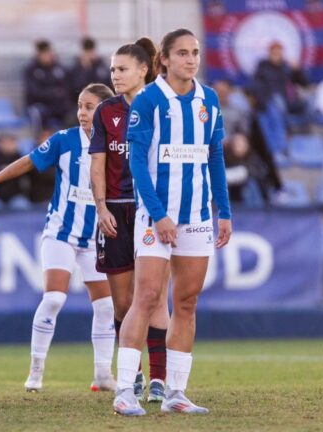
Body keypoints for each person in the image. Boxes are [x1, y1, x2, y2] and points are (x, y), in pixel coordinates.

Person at [113, 28, 232, 416]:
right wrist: (159, 213)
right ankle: (125, 392)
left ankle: (176, 394)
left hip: (197, 215)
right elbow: (136, 164)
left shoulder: (208, 100)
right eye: (182, 53)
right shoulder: (148, 100)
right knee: (146, 298)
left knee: (187, 301)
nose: (191, 59)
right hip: (155, 215)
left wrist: (225, 212)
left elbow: (215, 158)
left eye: (195, 52)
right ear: (163, 59)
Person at [0, 83, 117, 393]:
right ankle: (36, 370)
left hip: (96, 238)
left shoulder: (116, 145)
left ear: (105, 110)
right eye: (80, 106)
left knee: (106, 307)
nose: (82, 113)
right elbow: (29, 161)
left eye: (89, 107)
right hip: (60, 233)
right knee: (54, 298)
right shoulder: (65, 140)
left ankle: (102, 375)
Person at [88, 38, 169, 403]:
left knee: (154, 298)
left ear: (143, 70)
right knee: (123, 303)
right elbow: (99, 162)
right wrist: (101, 206)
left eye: (122, 69)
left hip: (151, 210)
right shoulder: (106, 111)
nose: (115, 76)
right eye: (112, 70)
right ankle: (133, 373)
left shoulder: (164, 106)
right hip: (117, 210)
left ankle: (160, 380)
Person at [24, 40, 72, 136]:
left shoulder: (60, 69)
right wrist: (53, 93)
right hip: (40, 104)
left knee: (72, 113)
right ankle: (41, 139)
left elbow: (67, 88)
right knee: (38, 112)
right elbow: (33, 92)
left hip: (58, 104)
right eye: (45, 53)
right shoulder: (31, 70)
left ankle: (69, 138)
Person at [69, 37, 112, 102]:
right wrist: (86, 69)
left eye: (91, 50)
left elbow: (105, 84)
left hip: (101, 99)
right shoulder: (76, 67)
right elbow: (77, 87)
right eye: (87, 50)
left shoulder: (101, 64)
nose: (89, 53)